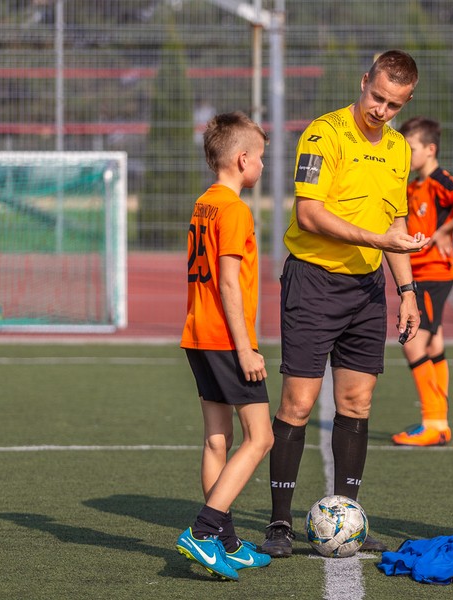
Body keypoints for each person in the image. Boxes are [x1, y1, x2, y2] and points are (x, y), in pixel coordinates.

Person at [260, 50, 428, 558]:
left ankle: (347, 518)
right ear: (364, 82)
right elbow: (309, 214)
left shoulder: (399, 149)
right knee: (298, 404)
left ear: (406, 101)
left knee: (357, 403)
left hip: (366, 290)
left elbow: (394, 226)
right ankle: (279, 524)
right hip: (313, 281)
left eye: (393, 104)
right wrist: (375, 240)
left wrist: (406, 292)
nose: (381, 110)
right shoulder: (324, 133)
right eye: (376, 97)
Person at [176, 112, 274, 581]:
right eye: (261, 159)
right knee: (261, 438)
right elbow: (230, 284)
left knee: (219, 439)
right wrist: (246, 349)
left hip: (198, 335)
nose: (262, 167)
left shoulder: (204, 203)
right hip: (225, 339)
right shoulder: (236, 210)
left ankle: (226, 542)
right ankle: (203, 530)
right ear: (241, 159)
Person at [391, 116, 453, 447]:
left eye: (411, 149)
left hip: (433, 273)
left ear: (430, 149)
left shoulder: (439, 180)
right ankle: (437, 422)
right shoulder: (414, 183)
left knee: (413, 342)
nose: (406, 155)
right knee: (433, 345)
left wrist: (445, 231)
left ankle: (434, 422)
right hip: (420, 272)